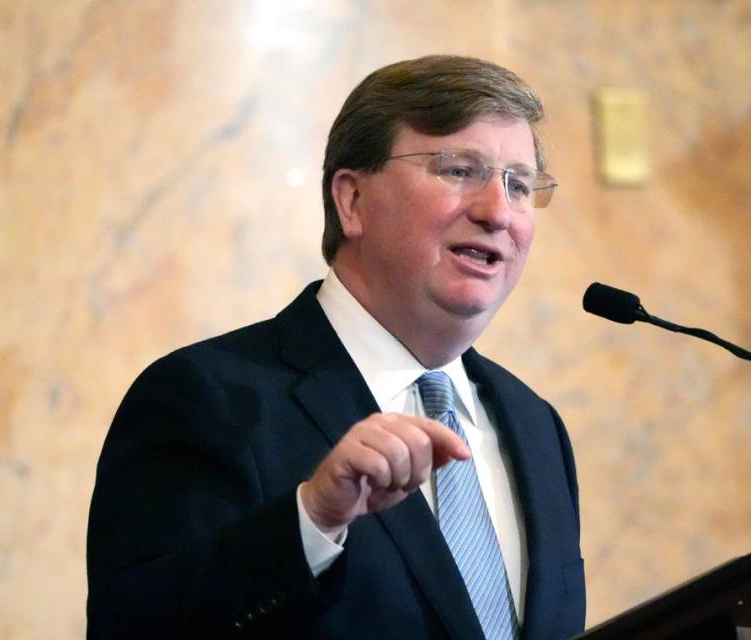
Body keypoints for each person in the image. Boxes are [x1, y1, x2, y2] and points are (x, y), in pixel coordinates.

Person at [87, 54, 586, 639]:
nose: (498, 211)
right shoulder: (209, 397)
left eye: (519, 185)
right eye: (458, 170)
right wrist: (311, 522)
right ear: (352, 201)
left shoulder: (536, 425)